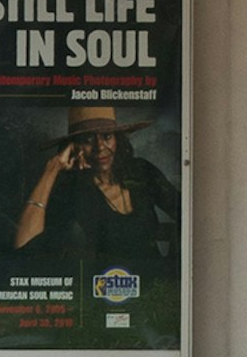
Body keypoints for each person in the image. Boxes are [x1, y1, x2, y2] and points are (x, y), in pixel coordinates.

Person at [14, 102, 178, 267]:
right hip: (103, 285)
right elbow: (24, 244)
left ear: (117, 139)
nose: (99, 147)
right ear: (74, 147)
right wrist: (53, 167)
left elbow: (186, 213)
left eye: (107, 136)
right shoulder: (71, 189)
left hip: (155, 283)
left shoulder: (141, 171)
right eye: (88, 140)